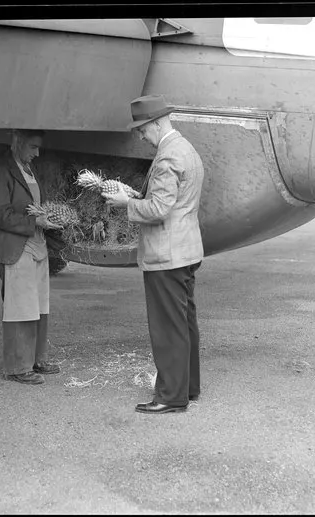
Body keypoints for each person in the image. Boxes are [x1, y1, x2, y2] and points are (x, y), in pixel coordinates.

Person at [102, 94, 204, 414]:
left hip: (166, 255)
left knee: (167, 328)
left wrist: (125, 204)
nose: (141, 137)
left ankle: (170, 397)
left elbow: (159, 209)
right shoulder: (186, 149)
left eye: (143, 130)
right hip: (185, 250)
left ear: (157, 123)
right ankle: (187, 387)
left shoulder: (167, 157)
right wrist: (138, 195)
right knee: (184, 323)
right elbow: (174, 201)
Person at [0, 129, 63, 385]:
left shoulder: (30, 169)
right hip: (17, 246)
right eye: (32, 147)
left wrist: (48, 218)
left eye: (38, 147)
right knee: (20, 307)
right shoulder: (2, 169)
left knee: (40, 305)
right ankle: (18, 367)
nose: (37, 153)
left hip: (37, 243)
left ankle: (37, 360)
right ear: (16, 142)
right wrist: (35, 221)